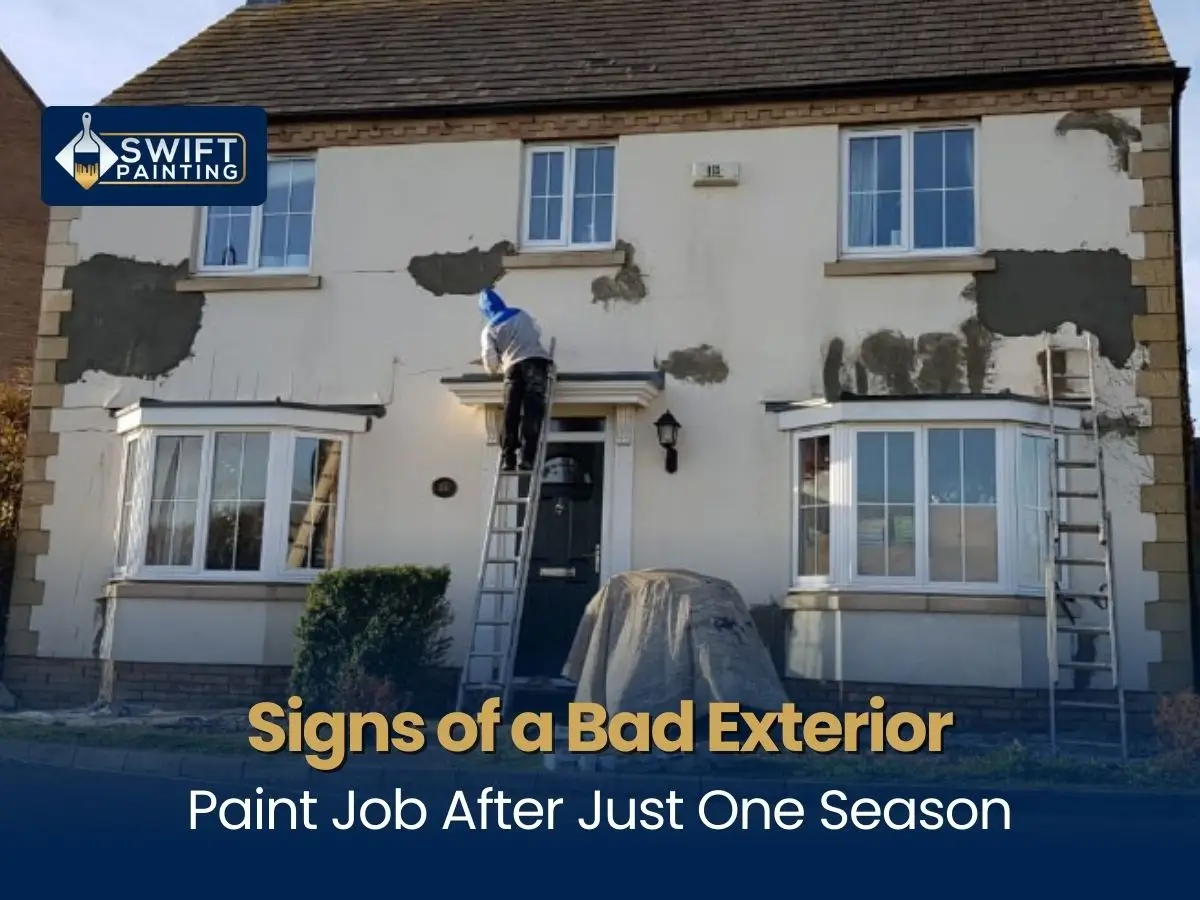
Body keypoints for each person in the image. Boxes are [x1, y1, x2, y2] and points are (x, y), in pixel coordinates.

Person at [478, 288, 552, 471]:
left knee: (511, 412)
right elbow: (537, 332)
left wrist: (493, 368)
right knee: (532, 411)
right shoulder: (522, 314)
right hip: (536, 363)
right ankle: (527, 458)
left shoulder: (489, 329)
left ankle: (508, 458)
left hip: (512, 368)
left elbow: (491, 361)